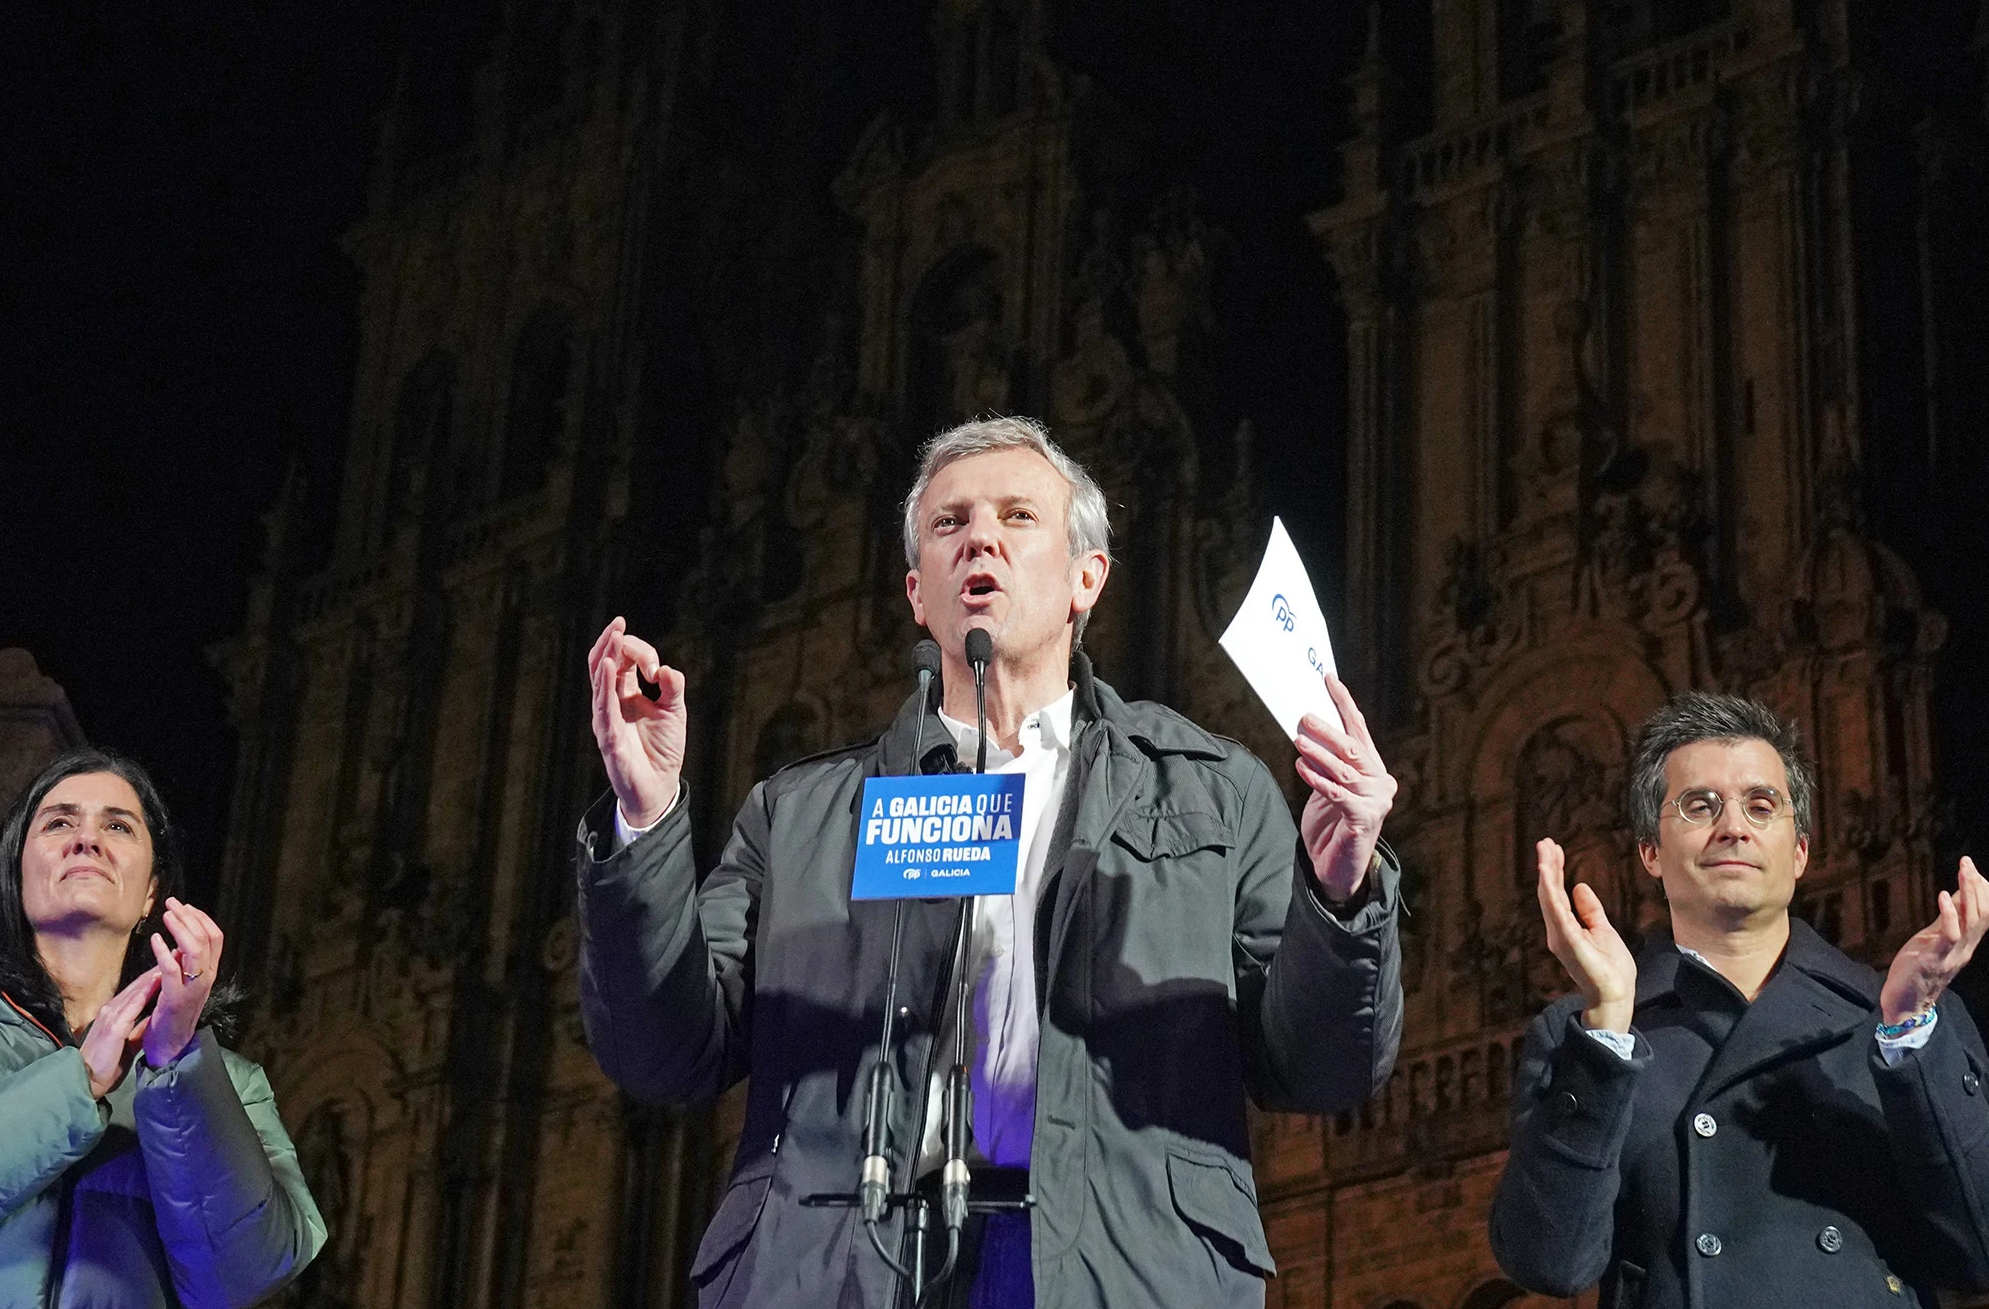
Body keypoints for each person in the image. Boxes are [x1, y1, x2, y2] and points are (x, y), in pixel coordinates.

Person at [577, 412, 1404, 1308]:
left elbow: (1322, 1069)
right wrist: (646, 818)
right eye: (949, 522)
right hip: (846, 1269)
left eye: (1017, 517)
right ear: (915, 593)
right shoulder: (802, 815)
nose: (980, 537)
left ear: (1088, 578)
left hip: (1117, 1270)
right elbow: (665, 1053)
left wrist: (1339, 890)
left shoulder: (1214, 794)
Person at [1491, 690, 1989, 1307]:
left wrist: (1909, 1030)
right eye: (1700, 805)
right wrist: (1609, 1027)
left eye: (1761, 805)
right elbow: (1548, 1262)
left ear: (1799, 850)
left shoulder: (1899, 1017)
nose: (1733, 827)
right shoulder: (1584, 1032)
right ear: (1649, 852)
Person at [0, 748, 328, 1307]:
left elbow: (247, 1274)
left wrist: (177, 1063)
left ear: (152, 890)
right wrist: (74, 1083)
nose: (87, 839)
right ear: (19, 871)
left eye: (118, 826)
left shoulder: (230, 1084)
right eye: (59, 822)